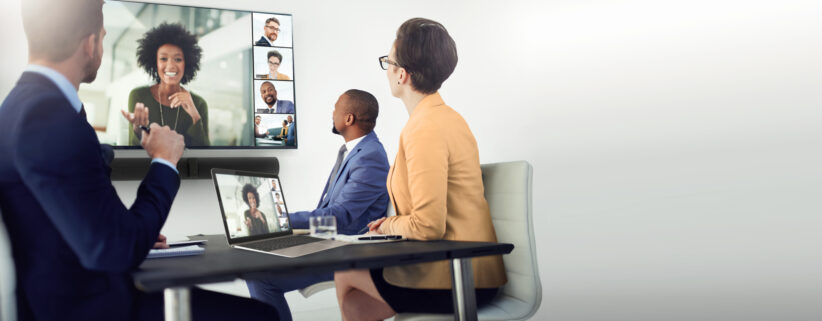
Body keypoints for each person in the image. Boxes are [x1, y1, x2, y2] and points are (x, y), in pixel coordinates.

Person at [0, 1, 277, 320]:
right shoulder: (47, 116)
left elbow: (91, 222)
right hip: (94, 304)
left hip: (81, 289)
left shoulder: (23, 107)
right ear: (91, 44)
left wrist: (137, 234)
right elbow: (114, 248)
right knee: (262, 316)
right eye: (103, 37)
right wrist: (164, 161)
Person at [333, 18, 507, 321]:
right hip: (459, 265)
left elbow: (428, 226)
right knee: (355, 305)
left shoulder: (426, 128)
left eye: (388, 61)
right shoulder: (440, 118)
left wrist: (387, 225)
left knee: (344, 271)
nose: (387, 68)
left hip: (461, 276)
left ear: (402, 74)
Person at [246, 89, 390, 321]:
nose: (332, 113)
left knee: (260, 276)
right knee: (257, 257)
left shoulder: (369, 157)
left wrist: (281, 220)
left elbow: (339, 217)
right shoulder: (354, 151)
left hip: (347, 251)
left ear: (349, 118)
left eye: (335, 108)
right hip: (329, 241)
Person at [122, 23, 210, 147]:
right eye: (163, 59)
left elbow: (206, 155)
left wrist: (195, 115)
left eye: (178, 59)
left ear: (187, 63)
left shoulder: (199, 103)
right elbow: (134, 150)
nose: (170, 66)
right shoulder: (139, 96)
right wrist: (138, 129)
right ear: (154, 62)